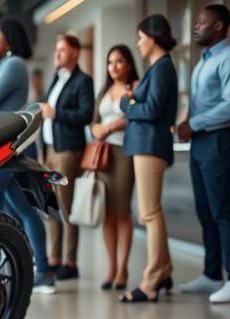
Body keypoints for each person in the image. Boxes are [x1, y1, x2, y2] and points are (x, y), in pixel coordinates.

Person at [0, 17, 52, 293]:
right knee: (23, 210)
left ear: (7, 39)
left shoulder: (14, 64)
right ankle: (42, 269)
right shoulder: (1, 69)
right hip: (3, 147)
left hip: (6, 148)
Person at [177, 4, 230, 303]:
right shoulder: (203, 61)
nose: (196, 27)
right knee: (205, 212)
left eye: (202, 22)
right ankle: (211, 274)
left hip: (219, 139)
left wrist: (193, 123)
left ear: (218, 26)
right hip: (201, 142)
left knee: (221, 212)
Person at [119, 15, 179, 303]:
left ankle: (151, 281)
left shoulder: (163, 68)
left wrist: (127, 103)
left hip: (150, 145)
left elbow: (152, 109)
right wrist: (132, 100)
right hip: (145, 144)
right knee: (150, 212)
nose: (138, 43)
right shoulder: (157, 68)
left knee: (150, 213)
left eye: (141, 37)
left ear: (152, 38)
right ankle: (164, 270)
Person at [38, 34, 94, 282]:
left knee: (66, 206)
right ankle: (54, 258)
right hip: (50, 150)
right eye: (56, 49)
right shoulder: (56, 79)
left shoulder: (83, 81)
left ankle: (70, 262)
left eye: (62, 50)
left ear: (75, 53)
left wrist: (55, 112)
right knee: (51, 205)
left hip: (68, 150)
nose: (57, 54)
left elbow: (85, 114)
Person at [89, 45, 139, 290]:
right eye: (110, 62)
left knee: (122, 212)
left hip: (124, 153)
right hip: (102, 154)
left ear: (128, 64)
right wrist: (95, 129)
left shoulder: (134, 87)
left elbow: (134, 117)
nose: (114, 66)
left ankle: (123, 268)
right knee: (107, 213)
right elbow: (94, 121)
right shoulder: (104, 91)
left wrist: (109, 128)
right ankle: (111, 267)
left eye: (119, 61)